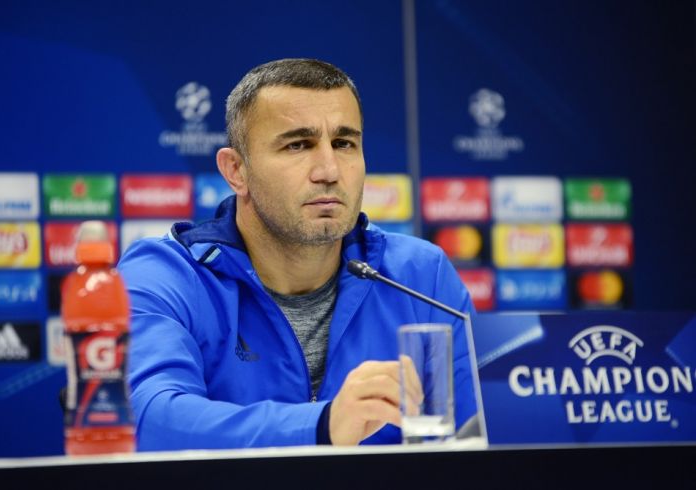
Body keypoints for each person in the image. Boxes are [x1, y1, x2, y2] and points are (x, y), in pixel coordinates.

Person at [118, 58, 477, 450]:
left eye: (344, 143)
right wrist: (324, 424)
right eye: (298, 145)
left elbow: (483, 432)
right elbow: (146, 419)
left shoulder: (421, 276)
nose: (329, 170)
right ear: (236, 170)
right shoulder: (166, 277)